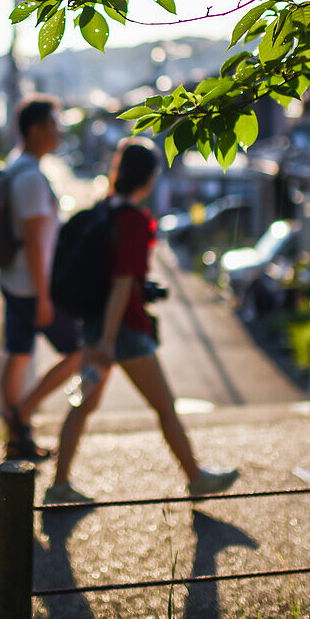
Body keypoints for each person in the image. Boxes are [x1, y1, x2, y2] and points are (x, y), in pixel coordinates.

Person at [44, 136, 239, 504]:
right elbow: (120, 284)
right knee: (165, 407)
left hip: (97, 325)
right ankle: (196, 478)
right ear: (148, 179)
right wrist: (108, 341)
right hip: (123, 332)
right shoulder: (133, 221)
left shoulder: (104, 210)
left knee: (82, 406)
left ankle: (59, 486)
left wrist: (101, 335)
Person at [0, 95, 83, 461]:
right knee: (80, 351)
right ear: (35, 130)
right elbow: (35, 241)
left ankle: (17, 438)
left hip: (13, 280)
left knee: (17, 356)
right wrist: (45, 297)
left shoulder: (16, 168)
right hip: (34, 286)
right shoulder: (31, 178)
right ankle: (24, 411)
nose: (59, 130)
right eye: (54, 124)